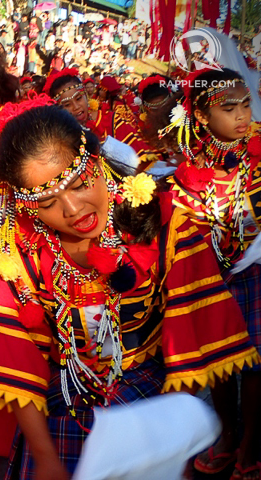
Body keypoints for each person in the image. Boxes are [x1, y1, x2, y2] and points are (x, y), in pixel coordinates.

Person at [0, 99, 260, 479]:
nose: (72, 209)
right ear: (25, 207)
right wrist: (45, 457)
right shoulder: (15, 252)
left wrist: (155, 432)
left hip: (150, 395)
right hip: (60, 404)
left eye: (79, 184)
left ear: (96, 162)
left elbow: (191, 343)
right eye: (47, 202)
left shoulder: (164, 225)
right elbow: (17, 362)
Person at [156, 67, 261, 480]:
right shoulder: (189, 169)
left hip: (255, 274)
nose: (242, 116)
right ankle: (228, 431)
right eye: (228, 108)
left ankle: (251, 443)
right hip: (212, 275)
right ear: (200, 116)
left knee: (255, 361)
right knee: (220, 357)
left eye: (247, 105)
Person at [44, 68, 159, 169]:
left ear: (86, 95)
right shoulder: (61, 135)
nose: (76, 107)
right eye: (67, 105)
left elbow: (142, 161)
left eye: (79, 98)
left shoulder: (111, 121)